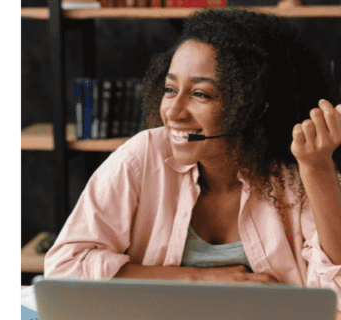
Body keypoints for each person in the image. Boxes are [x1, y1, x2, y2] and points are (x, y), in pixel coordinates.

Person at [44, 9, 341, 312]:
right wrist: (198, 279)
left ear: (254, 107)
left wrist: (317, 171)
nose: (173, 112)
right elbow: (64, 268)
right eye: (171, 89)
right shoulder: (143, 156)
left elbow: (337, 300)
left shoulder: (300, 176)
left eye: (201, 94)